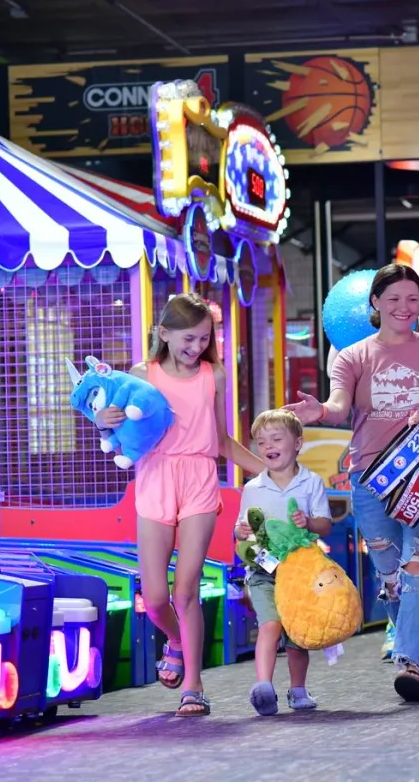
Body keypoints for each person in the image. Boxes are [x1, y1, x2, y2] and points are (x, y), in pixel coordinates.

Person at [285, 264, 419, 702]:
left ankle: (413, 664)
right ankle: (409, 631)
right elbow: (337, 405)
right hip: (370, 478)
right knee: (389, 577)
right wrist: (321, 413)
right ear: (375, 303)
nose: (404, 307)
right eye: (393, 299)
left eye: (412, 298)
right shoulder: (353, 356)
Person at [94, 292, 266, 716]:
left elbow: (223, 439)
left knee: (185, 589)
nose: (196, 347)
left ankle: (194, 684)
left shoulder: (215, 374)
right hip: (154, 477)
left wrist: (271, 472)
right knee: (154, 598)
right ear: (164, 334)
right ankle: (173, 639)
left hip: (200, 479)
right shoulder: (142, 373)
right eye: (189, 338)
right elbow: (112, 430)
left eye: (205, 339)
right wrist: (102, 421)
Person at [234, 409, 333, 716]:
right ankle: (263, 686)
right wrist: (240, 531)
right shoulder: (253, 488)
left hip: (300, 571)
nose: (268, 446)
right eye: (261, 442)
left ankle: (298, 689)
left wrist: (308, 523)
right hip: (263, 570)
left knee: (296, 634)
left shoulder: (311, 482)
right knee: (270, 624)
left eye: (276, 439)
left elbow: (325, 524)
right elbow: (242, 530)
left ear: (298, 443)